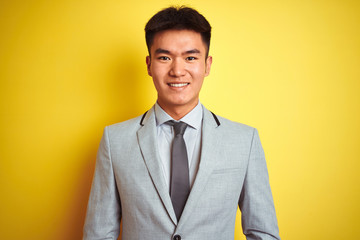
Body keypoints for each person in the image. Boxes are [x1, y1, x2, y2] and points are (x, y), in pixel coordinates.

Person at [83, 6, 280, 240]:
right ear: (149, 64)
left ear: (207, 65)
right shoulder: (115, 141)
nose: (177, 70)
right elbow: (99, 233)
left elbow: (263, 233)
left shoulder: (244, 141)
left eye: (190, 58)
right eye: (165, 57)